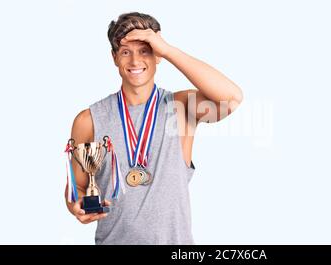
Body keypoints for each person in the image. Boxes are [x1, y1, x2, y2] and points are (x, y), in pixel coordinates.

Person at [64, 12, 243, 244]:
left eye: (145, 50)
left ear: (157, 55)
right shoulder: (89, 120)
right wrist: (75, 204)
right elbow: (76, 186)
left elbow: (232, 97)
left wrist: (168, 50)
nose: (135, 61)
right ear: (114, 57)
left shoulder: (181, 108)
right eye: (126, 52)